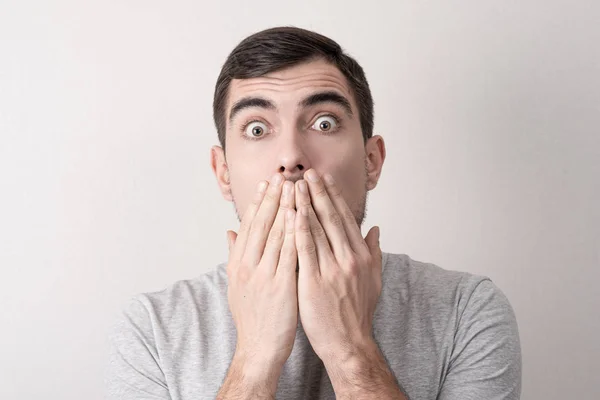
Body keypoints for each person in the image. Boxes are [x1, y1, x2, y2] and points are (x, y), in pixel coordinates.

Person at [105, 26, 522, 400]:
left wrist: (350, 350)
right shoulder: (152, 330)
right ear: (224, 172)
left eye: (324, 123)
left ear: (371, 161)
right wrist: (254, 360)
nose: (290, 157)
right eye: (256, 128)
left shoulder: (466, 310)